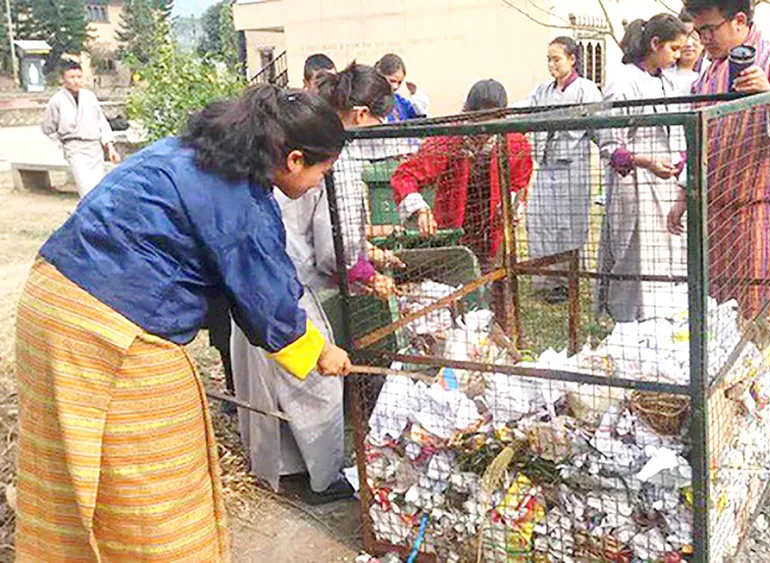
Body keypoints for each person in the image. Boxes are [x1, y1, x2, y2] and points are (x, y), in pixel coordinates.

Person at [15, 84, 352, 561]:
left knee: (74, 462)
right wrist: (320, 352)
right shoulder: (237, 198)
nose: (319, 183)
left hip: (48, 301)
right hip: (108, 333)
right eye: (323, 171)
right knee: (159, 476)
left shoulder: (193, 153)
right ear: (295, 159)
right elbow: (266, 301)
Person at [229, 63, 400, 502]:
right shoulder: (336, 156)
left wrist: (369, 254)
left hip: (256, 276)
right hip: (282, 279)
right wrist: (364, 273)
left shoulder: (293, 136)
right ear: (360, 115)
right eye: (381, 119)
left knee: (267, 376)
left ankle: (282, 467)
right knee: (316, 380)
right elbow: (331, 250)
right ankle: (325, 479)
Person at [671, 0, 770, 316]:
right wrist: (683, 195)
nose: (703, 39)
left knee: (755, 301)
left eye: (710, 29)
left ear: (739, 20)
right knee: (716, 304)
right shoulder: (707, 73)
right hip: (711, 208)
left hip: (755, 209)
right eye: (699, 31)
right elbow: (696, 140)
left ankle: (760, 345)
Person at [391, 80, 532, 331]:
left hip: (494, 228)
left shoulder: (514, 141)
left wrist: (513, 205)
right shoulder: (449, 138)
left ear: (502, 118)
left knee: (497, 283)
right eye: (477, 122)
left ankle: (499, 335)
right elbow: (406, 175)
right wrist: (420, 209)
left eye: (490, 124)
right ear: (467, 112)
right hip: (454, 226)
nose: (482, 132)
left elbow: (519, 182)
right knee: (455, 285)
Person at [596, 14, 690, 323]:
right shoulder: (623, 82)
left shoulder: (667, 82)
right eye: (674, 48)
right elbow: (610, 145)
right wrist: (646, 162)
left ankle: (664, 320)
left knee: (667, 254)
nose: (678, 55)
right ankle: (630, 323)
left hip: (665, 184)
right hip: (634, 185)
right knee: (635, 257)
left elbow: (677, 133)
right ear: (655, 44)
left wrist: (679, 164)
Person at [526, 37, 602, 304]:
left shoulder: (587, 90)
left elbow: (600, 129)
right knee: (541, 222)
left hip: (572, 168)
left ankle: (567, 282)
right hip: (545, 167)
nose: (552, 64)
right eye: (548, 59)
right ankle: (545, 279)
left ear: (572, 59)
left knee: (568, 226)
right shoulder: (542, 90)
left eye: (556, 59)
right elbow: (524, 110)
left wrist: (612, 153)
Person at [41, 60, 121, 198]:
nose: (76, 81)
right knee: (86, 189)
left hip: (94, 147)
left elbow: (101, 122)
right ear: (62, 79)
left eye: (79, 77)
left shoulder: (90, 97)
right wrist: (61, 143)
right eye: (72, 77)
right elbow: (48, 127)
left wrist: (110, 147)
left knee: (98, 188)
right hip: (75, 148)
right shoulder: (56, 101)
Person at [665, 9, 708, 94]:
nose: (689, 43)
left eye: (694, 36)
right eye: (684, 37)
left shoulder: (711, 72)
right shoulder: (663, 73)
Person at [375, 53, 429, 121]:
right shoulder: (372, 101)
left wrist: (415, 93)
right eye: (392, 81)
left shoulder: (399, 100)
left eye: (399, 82)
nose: (395, 86)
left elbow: (418, 116)